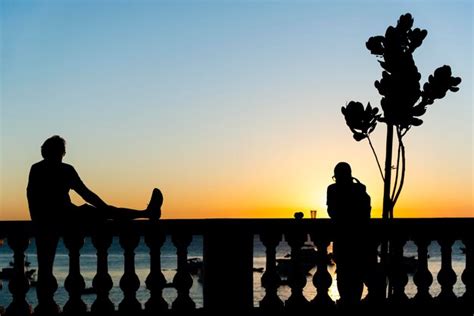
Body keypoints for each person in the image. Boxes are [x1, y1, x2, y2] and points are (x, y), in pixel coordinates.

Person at [26, 135, 162, 313]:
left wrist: (37, 220)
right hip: (66, 217)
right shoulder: (62, 170)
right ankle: (147, 213)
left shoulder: (39, 169)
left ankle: (45, 308)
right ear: (61, 153)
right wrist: (106, 210)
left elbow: (32, 197)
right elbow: (86, 194)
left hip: (50, 221)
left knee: (45, 267)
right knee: (45, 268)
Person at [326, 162, 371, 306]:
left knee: (346, 274)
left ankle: (348, 303)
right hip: (356, 239)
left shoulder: (333, 190)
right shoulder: (360, 189)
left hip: (346, 238)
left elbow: (331, 212)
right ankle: (351, 302)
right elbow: (366, 213)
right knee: (352, 274)